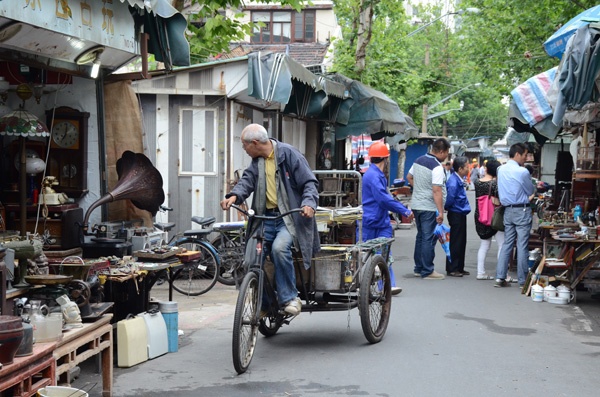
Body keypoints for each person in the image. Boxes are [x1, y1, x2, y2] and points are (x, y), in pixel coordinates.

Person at [220, 124, 319, 316]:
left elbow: (309, 183)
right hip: (264, 219)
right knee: (250, 260)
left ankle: (290, 298)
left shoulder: (289, 154)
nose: (244, 149)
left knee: (279, 249)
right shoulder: (257, 162)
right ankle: (265, 304)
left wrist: (309, 204)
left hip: (288, 218)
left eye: (244, 145)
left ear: (255, 143)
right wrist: (234, 196)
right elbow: (247, 182)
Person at [362, 141, 414, 295]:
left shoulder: (376, 175)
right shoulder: (373, 176)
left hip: (379, 220)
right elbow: (383, 200)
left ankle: (386, 285)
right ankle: (372, 285)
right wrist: (403, 210)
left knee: (384, 253)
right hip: (372, 221)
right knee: (370, 255)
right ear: (385, 159)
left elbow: (384, 198)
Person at [406, 138, 451, 280]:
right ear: (442, 151)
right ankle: (427, 270)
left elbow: (409, 177)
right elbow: (437, 190)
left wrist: (419, 189)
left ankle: (418, 268)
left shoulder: (418, 160)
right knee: (427, 237)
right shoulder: (436, 167)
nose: (447, 157)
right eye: (447, 153)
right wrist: (441, 212)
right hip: (428, 207)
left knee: (420, 237)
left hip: (416, 204)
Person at [495, 142, 534, 288]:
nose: (526, 158)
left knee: (507, 244)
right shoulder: (522, 172)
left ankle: (500, 277)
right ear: (517, 154)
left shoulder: (500, 169)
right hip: (521, 210)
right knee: (522, 245)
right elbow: (530, 191)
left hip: (507, 210)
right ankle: (522, 280)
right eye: (525, 155)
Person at [473, 159, 504, 280]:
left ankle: (481, 272)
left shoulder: (477, 182)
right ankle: (502, 273)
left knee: (484, 244)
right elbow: (499, 200)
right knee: (502, 245)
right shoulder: (495, 184)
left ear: (486, 169)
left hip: (480, 215)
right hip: (494, 217)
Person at [444, 156, 471, 277]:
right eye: (467, 167)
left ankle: (459, 267)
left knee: (461, 241)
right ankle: (452, 268)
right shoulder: (454, 182)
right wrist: (448, 208)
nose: (468, 169)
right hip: (456, 212)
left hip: (460, 212)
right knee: (456, 241)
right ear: (460, 169)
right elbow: (449, 199)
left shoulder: (458, 179)